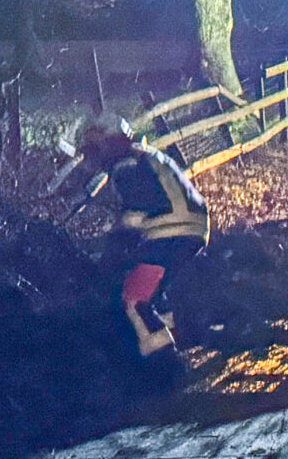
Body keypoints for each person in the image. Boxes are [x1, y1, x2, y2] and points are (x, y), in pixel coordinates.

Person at [52, 112, 211, 358]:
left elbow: (133, 216)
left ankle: (159, 359)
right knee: (158, 297)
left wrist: (107, 248)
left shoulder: (126, 165)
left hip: (169, 232)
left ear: (108, 142)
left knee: (134, 298)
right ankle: (183, 335)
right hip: (191, 229)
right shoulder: (144, 156)